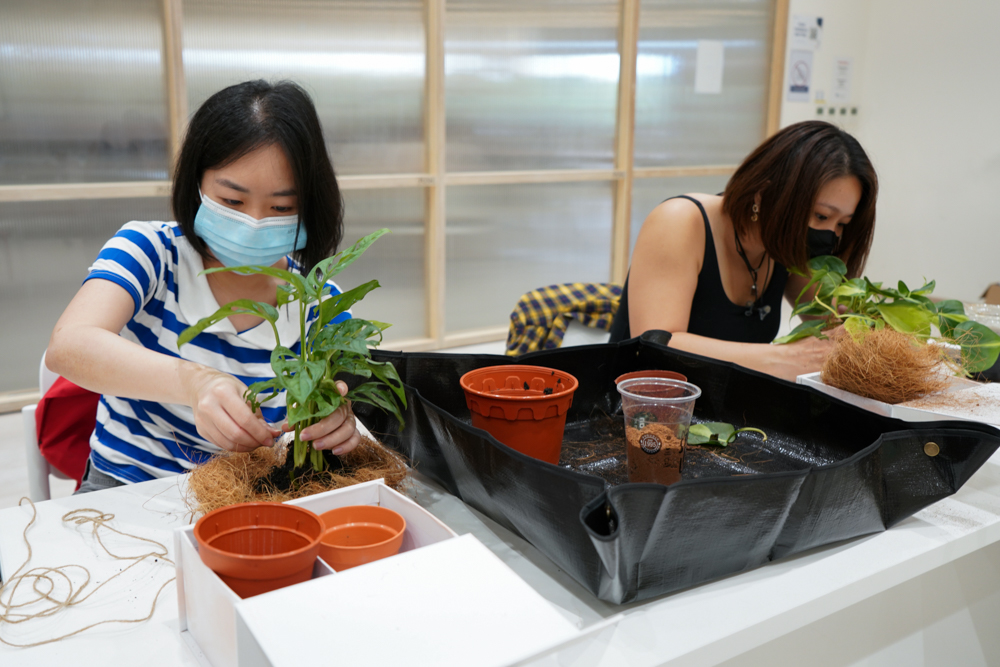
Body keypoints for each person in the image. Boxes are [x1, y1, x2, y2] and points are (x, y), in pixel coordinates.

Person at [46, 80, 362, 492]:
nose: (254, 223)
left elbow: (340, 403)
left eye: (281, 207)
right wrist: (196, 383)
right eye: (232, 201)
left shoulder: (320, 303)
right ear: (197, 184)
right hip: (125, 488)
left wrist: (339, 421)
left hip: (250, 501)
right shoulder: (153, 253)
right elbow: (69, 346)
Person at [608, 120, 878, 381]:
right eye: (821, 216)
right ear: (765, 193)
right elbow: (655, 344)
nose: (830, 234)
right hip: (637, 402)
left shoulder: (786, 247)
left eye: (842, 224)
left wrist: (870, 324)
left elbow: (835, 319)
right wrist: (784, 357)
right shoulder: (679, 221)